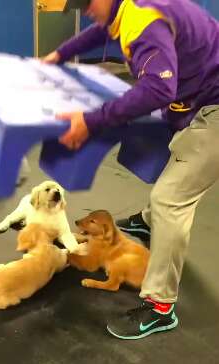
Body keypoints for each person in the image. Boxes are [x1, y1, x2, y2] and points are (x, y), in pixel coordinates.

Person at [43, 0, 219, 339]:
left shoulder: (143, 20)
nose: (86, 11)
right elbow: (100, 30)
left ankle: (160, 307)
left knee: (171, 199)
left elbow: (158, 88)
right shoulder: (129, 8)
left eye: (88, 3)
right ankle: (148, 222)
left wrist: (91, 122)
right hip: (199, 96)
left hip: (215, 108)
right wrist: (58, 55)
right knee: (167, 152)